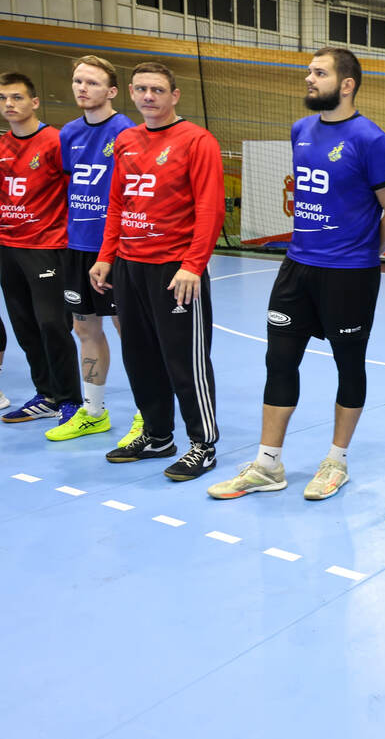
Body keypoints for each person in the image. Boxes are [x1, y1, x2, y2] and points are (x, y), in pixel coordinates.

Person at [206, 48, 385, 501]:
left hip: (349, 274)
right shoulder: (301, 130)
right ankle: (268, 464)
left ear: (347, 84)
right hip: (297, 267)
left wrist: (364, 253)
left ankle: (336, 461)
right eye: (309, 72)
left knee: (348, 365)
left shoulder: (372, 141)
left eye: (319, 73)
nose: (309, 78)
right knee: (279, 360)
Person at [89, 61, 224, 481]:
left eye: (158, 90)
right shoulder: (126, 140)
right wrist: (107, 255)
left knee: (185, 361)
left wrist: (193, 265)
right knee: (139, 356)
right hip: (130, 266)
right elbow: (118, 203)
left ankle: (203, 445)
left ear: (174, 95)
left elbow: (210, 209)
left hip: (174, 270)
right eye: (142, 89)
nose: (149, 96)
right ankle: (157, 435)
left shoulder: (197, 140)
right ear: (131, 92)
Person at [48, 55, 142, 444]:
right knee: (84, 327)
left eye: (92, 82)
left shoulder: (127, 133)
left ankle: (148, 412)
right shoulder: (68, 133)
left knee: (129, 331)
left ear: (112, 91)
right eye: (78, 81)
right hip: (77, 246)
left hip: (116, 248)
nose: (82, 88)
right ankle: (93, 412)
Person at [0, 71, 80, 424]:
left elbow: (77, 192)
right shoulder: (2, 145)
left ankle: (70, 400)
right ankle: (45, 394)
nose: (9, 104)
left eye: (16, 97)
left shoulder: (55, 141)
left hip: (47, 247)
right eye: (3, 98)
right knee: (24, 326)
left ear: (34, 102)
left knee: (52, 324)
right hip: (7, 247)